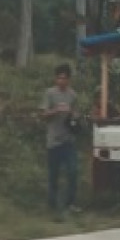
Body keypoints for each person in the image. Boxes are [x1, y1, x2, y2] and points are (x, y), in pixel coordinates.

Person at [40, 63, 80, 215]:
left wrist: (73, 113)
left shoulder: (73, 95)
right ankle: (52, 204)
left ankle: (71, 203)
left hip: (68, 140)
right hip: (53, 141)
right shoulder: (50, 93)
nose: (61, 81)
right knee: (53, 175)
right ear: (55, 79)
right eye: (59, 78)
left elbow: (76, 114)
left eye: (64, 78)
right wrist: (56, 110)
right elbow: (43, 115)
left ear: (69, 80)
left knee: (73, 171)